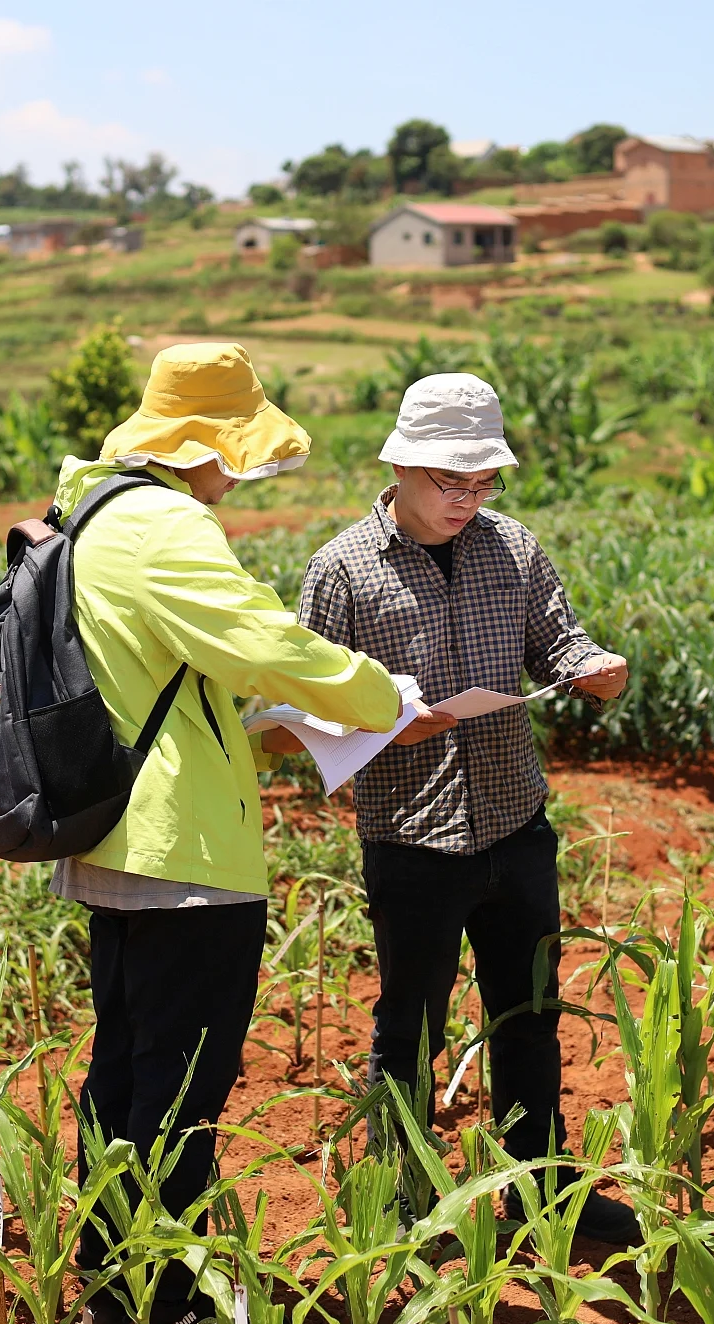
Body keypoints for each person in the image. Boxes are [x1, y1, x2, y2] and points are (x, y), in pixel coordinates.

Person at [51, 343, 404, 1324]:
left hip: (114, 837)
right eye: (234, 448)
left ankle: (107, 1267)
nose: (236, 472)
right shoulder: (166, 526)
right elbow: (261, 643)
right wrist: (383, 693)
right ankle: (161, 1299)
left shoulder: (93, 511)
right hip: (186, 854)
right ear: (204, 441)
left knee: (122, 1065)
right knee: (180, 1080)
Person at [293, 372, 641, 1245]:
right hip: (412, 840)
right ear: (401, 464)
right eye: (452, 481)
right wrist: (383, 732)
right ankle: (401, 1201)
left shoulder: (513, 550)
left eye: (482, 482)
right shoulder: (341, 571)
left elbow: (560, 642)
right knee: (409, 1027)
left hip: (515, 825)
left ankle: (543, 1192)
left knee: (529, 1017)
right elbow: (300, 715)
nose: (467, 498)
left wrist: (599, 667)